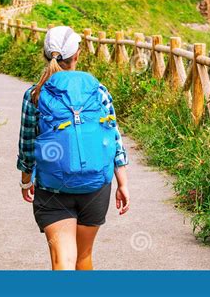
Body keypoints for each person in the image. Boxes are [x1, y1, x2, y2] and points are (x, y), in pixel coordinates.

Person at [17, 26, 130, 270]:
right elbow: (114, 138)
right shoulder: (98, 90)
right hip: (95, 185)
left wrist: (26, 181)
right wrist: (123, 184)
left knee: (63, 260)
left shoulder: (34, 94)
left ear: (46, 55)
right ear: (77, 55)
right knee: (84, 256)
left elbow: (27, 147)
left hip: (52, 185)